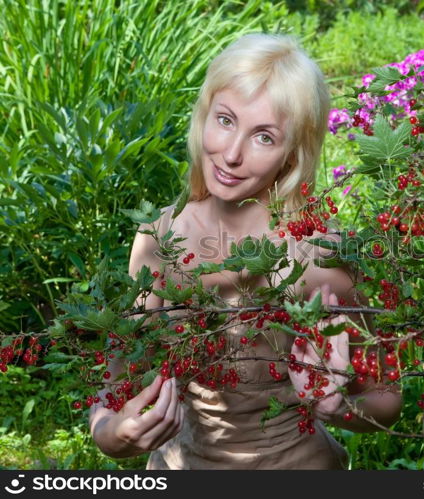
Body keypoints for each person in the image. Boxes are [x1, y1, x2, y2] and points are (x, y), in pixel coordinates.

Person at [89, 33, 402, 469]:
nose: (231, 154)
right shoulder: (157, 237)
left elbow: (385, 400)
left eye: (264, 137)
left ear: (291, 155)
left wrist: (337, 408)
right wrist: (114, 435)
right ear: (203, 115)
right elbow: (114, 384)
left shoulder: (323, 257)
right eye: (225, 120)